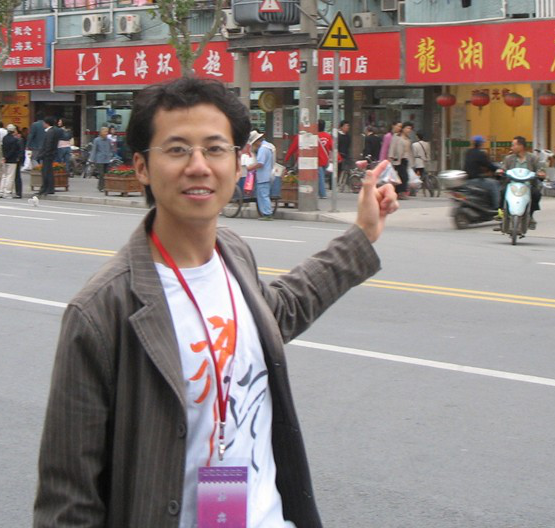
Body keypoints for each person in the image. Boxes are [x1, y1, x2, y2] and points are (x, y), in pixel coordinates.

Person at [33, 76, 398, 527]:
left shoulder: (233, 253)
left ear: (239, 162)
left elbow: (281, 310)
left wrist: (362, 235)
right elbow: (68, 501)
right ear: (142, 167)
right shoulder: (102, 311)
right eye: (177, 149)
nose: (199, 166)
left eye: (215, 148)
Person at [500, 135, 545, 226]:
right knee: (502, 191)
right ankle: (503, 213)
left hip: (528, 185)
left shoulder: (533, 158)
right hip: (512, 185)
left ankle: (530, 215)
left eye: (513, 145)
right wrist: (500, 171)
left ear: (521, 146)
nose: (511, 147)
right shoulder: (509, 158)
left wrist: (541, 174)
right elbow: (503, 169)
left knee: (536, 194)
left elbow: (540, 170)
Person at [462, 136, 501, 211]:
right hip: (475, 180)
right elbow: (488, 165)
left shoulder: (468, 152)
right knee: (494, 184)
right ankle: (496, 208)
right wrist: (498, 169)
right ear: (481, 144)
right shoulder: (480, 153)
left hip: (468, 180)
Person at [248, 128, 277, 219]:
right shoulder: (268, 146)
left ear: (256, 141)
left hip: (264, 176)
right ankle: (266, 213)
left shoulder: (263, 149)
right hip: (268, 174)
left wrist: (250, 168)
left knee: (263, 195)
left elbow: (260, 163)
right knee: (263, 194)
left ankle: (267, 214)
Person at [34, 116, 60, 200]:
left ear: (47, 123)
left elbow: (48, 144)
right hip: (50, 154)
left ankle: (46, 188)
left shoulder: (50, 132)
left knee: (46, 172)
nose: (43, 124)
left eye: (44, 123)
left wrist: (44, 154)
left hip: (48, 155)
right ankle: (49, 188)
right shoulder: (53, 131)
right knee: (49, 171)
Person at [1, 124, 24, 199]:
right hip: (12, 160)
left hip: (5, 159)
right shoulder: (15, 140)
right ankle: (7, 192)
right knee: (10, 177)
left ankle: (2, 191)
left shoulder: (4, 138)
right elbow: (13, 150)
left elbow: (3, 148)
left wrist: (4, 157)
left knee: (4, 176)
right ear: (14, 131)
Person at [389, 121, 412, 197]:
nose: (409, 130)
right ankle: (401, 192)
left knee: (403, 176)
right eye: (408, 128)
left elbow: (409, 151)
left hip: (405, 159)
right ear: (403, 129)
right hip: (397, 160)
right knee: (402, 176)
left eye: (410, 129)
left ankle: (399, 192)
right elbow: (392, 148)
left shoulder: (408, 139)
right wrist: (390, 158)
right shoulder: (396, 137)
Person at [89, 127, 115, 191]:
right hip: (99, 160)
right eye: (105, 131)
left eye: (107, 131)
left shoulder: (109, 140)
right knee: (101, 174)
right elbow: (94, 150)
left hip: (107, 159)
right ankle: (101, 187)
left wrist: (111, 155)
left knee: (106, 174)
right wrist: (92, 160)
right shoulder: (96, 140)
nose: (106, 133)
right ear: (101, 132)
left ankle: (104, 186)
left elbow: (111, 149)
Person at [316, 119, 332, 197]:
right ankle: (320, 192)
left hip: (318, 160)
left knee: (320, 177)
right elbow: (332, 147)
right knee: (322, 176)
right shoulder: (328, 136)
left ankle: (322, 193)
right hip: (325, 159)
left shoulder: (314, 136)